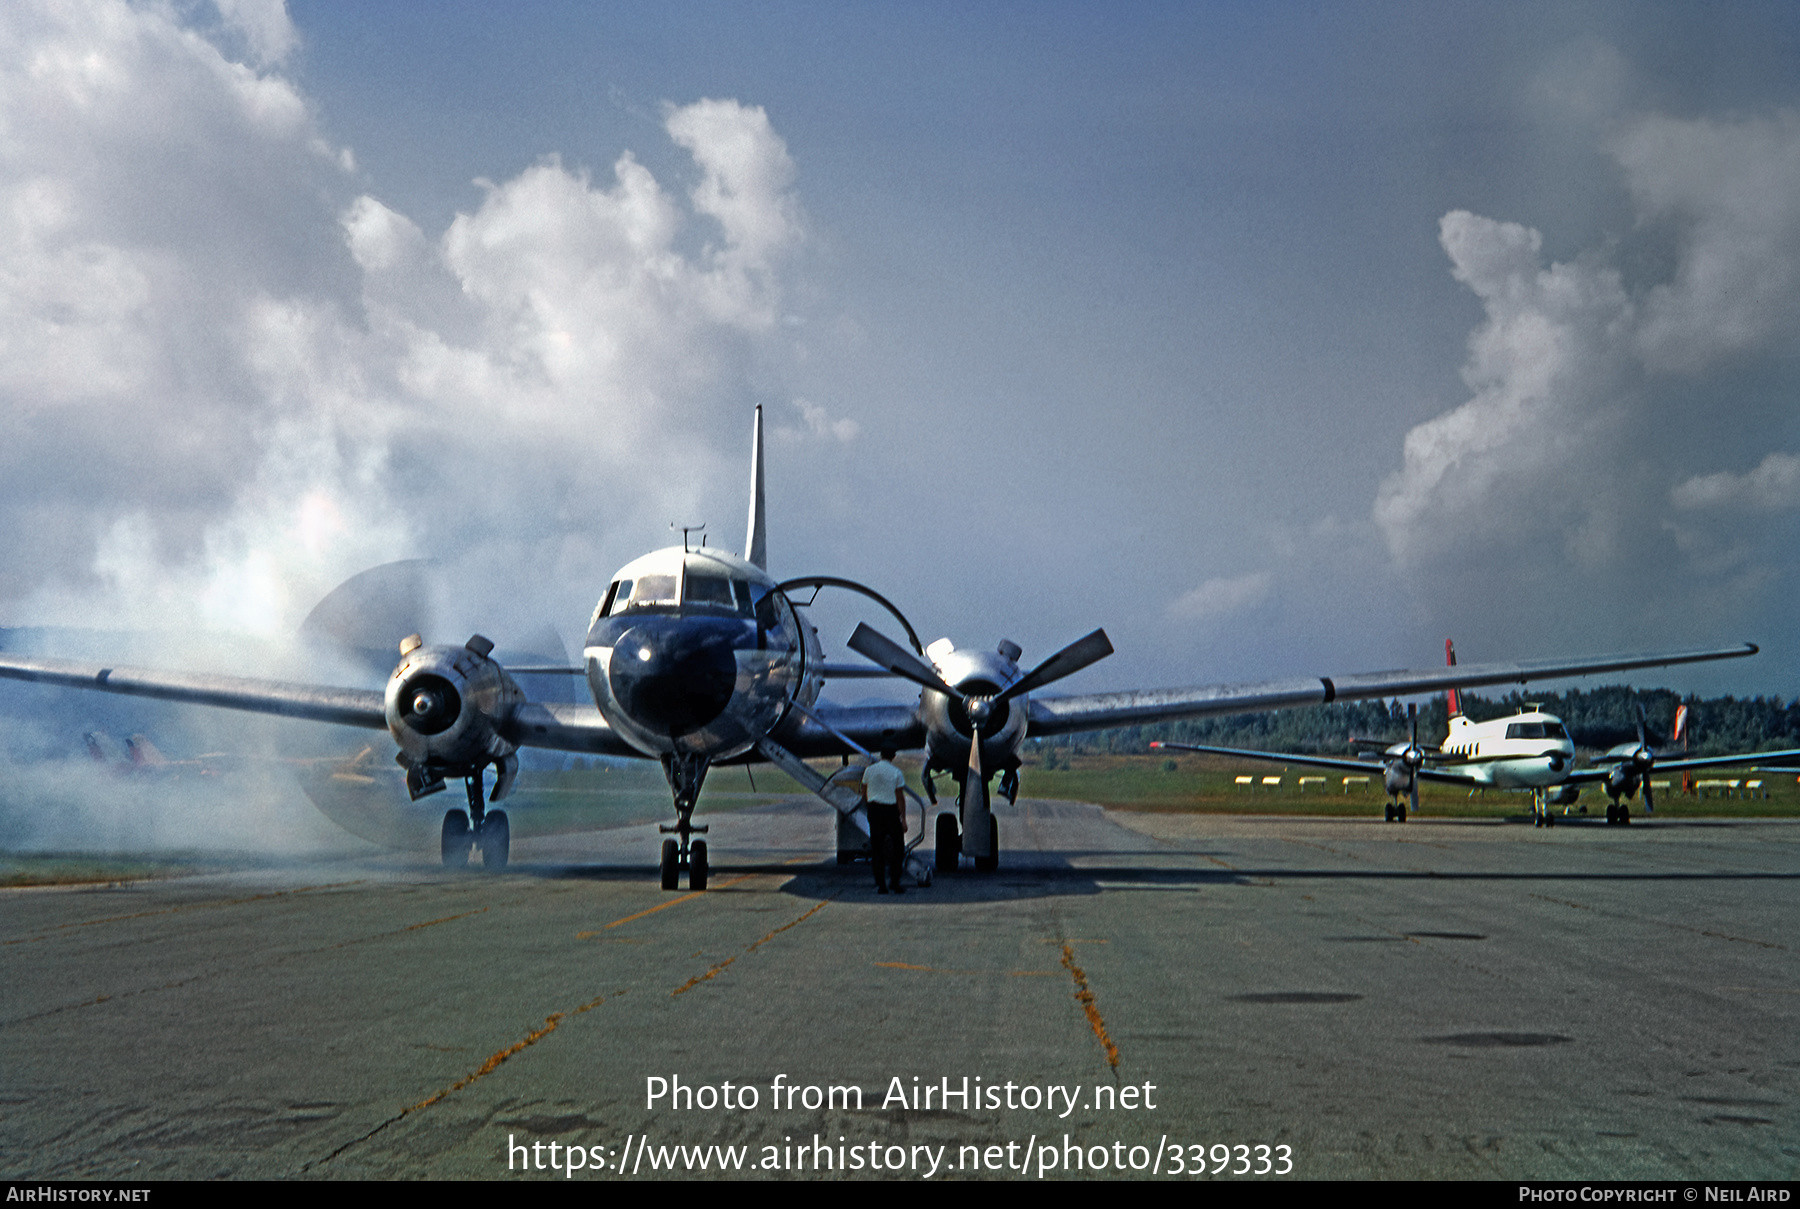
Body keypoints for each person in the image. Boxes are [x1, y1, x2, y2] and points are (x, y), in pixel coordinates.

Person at [862, 748, 907, 894]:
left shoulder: (869, 770)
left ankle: (881, 885)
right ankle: (895, 882)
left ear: (881, 755)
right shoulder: (896, 772)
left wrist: (870, 807)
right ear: (893, 756)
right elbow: (900, 797)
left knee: (877, 849)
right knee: (898, 848)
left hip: (875, 810)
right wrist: (903, 819)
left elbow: (864, 792)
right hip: (890, 811)